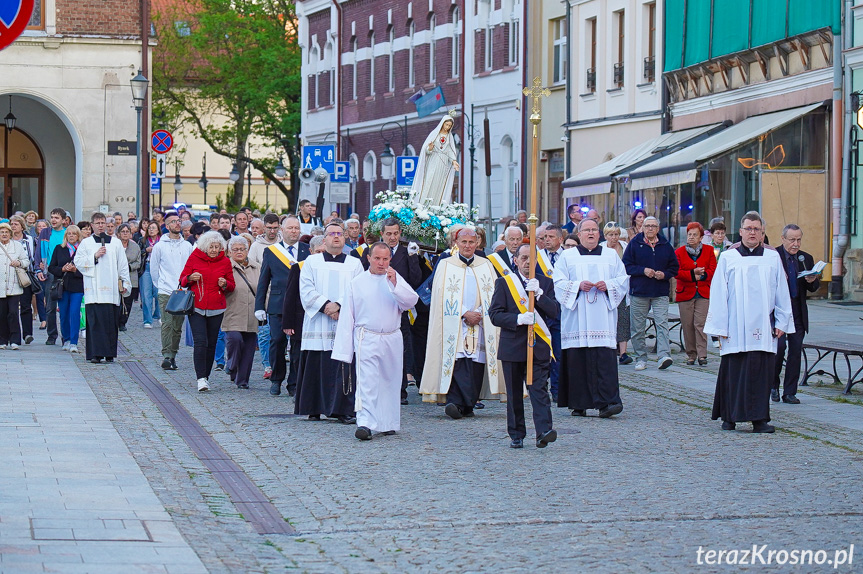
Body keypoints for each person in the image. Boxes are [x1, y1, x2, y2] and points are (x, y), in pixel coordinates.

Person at [705, 211, 794, 433]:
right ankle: (729, 417)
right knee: (733, 371)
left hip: (762, 326)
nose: (752, 232)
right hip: (734, 326)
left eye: (757, 229)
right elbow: (718, 293)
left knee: (760, 372)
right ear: (741, 231)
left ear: (762, 233)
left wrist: (782, 321)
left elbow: (782, 292)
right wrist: (719, 327)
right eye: (748, 228)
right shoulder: (728, 257)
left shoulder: (773, 258)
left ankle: (759, 419)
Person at [332, 242, 419, 440]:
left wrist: (396, 284)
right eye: (377, 258)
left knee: (390, 381)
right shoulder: (357, 282)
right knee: (368, 382)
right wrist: (345, 350)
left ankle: (387, 422)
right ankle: (365, 422)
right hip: (367, 337)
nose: (381, 263)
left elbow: (411, 301)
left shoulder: (395, 278)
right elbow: (348, 316)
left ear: (390, 259)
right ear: (369, 258)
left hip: (391, 336)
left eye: (385, 259)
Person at [419, 227, 503, 417]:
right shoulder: (446, 264)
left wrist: (479, 313)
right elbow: (440, 294)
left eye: (471, 242)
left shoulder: (486, 265)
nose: (467, 246)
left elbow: (493, 294)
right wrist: (465, 312)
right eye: (463, 242)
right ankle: (454, 402)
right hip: (455, 322)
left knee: (475, 363)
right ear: (456, 243)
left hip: (480, 321)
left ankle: (467, 405)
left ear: (478, 243)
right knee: (457, 361)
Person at [553, 218, 629, 417]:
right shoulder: (567, 256)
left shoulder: (611, 255)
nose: (591, 233)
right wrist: (577, 286)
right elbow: (558, 282)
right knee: (577, 359)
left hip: (602, 318)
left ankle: (608, 402)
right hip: (577, 317)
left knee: (603, 359)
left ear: (599, 234)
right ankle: (578, 403)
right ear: (579, 234)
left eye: (594, 230)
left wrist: (608, 285)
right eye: (587, 230)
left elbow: (622, 280)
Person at [488, 243, 559, 449]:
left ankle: (544, 431)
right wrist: (518, 318)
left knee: (539, 389)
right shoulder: (505, 283)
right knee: (514, 393)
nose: (528, 262)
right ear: (516, 260)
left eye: (532, 258)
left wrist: (539, 296)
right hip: (512, 347)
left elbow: (554, 311)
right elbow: (495, 315)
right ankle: (516, 433)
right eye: (524, 258)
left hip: (537, 346)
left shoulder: (545, 282)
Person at [294, 222, 363, 423]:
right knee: (316, 364)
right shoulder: (312, 262)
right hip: (318, 323)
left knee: (341, 366)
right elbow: (305, 289)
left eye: (340, 234)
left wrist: (339, 306)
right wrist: (326, 306)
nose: (336, 237)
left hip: (343, 321)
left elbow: (357, 290)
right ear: (324, 239)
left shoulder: (354, 264)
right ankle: (313, 407)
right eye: (332, 234)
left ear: (344, 238)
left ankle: (342, 410)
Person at [354, 217, 422, 403]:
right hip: (374, 307)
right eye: (388, 234)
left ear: (401, 234)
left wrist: (413, 258)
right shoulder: (371, 252)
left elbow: (415, 280)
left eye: (396, 233)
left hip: (398, 307)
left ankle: (400, 390)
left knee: (400, 349)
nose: (392, 237)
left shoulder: (405, 252)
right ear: (382, 234)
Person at [254, 215, 310, 396]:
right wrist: (259, 306)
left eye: (296, 228)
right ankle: (276, 379)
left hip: (300, 306)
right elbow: (264, 280)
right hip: (278, 304)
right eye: (290, 228)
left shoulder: (306, 250)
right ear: (282, 230)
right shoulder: (272, 251)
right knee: (277, 342)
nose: (294, 231)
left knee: (297, 345)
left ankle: (294, 383)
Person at [622, 215, 679, 371]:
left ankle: (664, 356)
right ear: (642, 228)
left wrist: (665, 274)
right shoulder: (635, 243)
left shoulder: (665, 245)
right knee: (637, 327)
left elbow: (674, 267)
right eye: (647, 226)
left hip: (660, 291)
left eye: (653, 226)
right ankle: (641, 357)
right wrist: (643, 270)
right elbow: (626, 266)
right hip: (639, 291)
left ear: (658, 229)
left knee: (662, 324)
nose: (650, 229)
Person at [180, 231, 235, 391]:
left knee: (211, 343)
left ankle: (206, 376)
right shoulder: (195, 257)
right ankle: (200, 378)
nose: (214, 250)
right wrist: (190, 278)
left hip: (216, 308)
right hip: (196, 307)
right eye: (211, 247)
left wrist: (224, 284)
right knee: (200, 342)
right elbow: (182, 280)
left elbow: (232, 285)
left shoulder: (225, 262)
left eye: (217, 247)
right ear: (205, 246)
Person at [74, 212, 131, 364]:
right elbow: (78, 262)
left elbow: (123, 264)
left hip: (111, 289)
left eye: (102, 223)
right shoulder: (86, 243)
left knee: (110, 322)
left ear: (106, 225)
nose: (100, 225)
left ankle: (109, 353)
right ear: (92, 225)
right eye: (97, 223)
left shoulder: (116, 243)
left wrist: (125, 283)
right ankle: (95, 354)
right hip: (94, 290)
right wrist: (94, 256)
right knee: (94, 322)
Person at [772, 223, 820, 404]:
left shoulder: (805, 258)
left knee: (795, 352)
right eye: (792, 240)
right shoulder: (774, 255)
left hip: (798, 312)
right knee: (779, 349)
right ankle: (773, 385)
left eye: (799, 240)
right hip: (779, 312)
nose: (796, 244)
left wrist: (812, 279)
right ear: (783, 239)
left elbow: (813, 287)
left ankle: (790, 392)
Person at [151, 213, 194, 371]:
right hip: (165, 290)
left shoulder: (187, 246)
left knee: (177, 326)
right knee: (167, 324)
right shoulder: (159, 246)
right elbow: (154, 269)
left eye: (178, 221)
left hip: (182, 290)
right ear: (167, 226)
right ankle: (166, 356)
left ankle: (173, 353)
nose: (177, 224)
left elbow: (190, 266)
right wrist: (160, 285)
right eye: (173, 222)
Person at [675, 222, 717, 366]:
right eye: (689, 234)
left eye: (695, 235)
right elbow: (677, 272)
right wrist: (693, 274)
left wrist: (703, 277)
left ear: (701, 238)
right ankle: (691, 354)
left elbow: (713, 269)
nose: (691, 237)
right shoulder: (679, 252)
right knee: (687, 325)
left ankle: (702, 355)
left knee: (700, 324)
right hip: (685, 292)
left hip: (703, 292)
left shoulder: (709, 250)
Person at [223, 236, 260, 389]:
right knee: (235, 339)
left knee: (249, 347)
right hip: (232, 311)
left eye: (242, 249)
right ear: (229, 252)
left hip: (252, 312)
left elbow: (265, 288)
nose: (239, 252)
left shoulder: (256, 267)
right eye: (235, 250)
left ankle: (242, 380)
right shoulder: (224, 267)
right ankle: (231, 364)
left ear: (247, 250)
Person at [48, 225, 84, 353]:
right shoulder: (59, 248)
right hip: (62, 286)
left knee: (74, 313)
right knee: (63, 314)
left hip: (77, 286)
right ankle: (66, 339)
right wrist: (62, 269)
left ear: (78, 236)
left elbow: (88, 268)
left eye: (74, 234)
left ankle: (74, 341)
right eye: (69, 234)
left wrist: (75, 270)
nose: (72, 236)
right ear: (66, 236)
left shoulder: (82, 250)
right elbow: (51, 267)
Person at [411, 113, 460, 206]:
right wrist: (430, 148)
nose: (448, 127)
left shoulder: (449, 138)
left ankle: (435, 205)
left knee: (439, 184)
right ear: (442, 124)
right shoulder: (434, 134)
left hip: (443, 163)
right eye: (447, 125)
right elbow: (425, 150)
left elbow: (449, 150)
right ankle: (423, 204)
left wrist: (454, 161)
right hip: (433, 161)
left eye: (450, 126)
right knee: (429, 180)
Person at [601, 222, 632, 364]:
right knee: (607, 318)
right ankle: (610, 347)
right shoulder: (600, 248)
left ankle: (623, 352)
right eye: (611, 235)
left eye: (616, 234)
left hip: (622, 288)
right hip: (605, 288)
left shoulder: (625, 248)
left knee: (623, 319)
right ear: (605, 235)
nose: (614, 238)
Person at [36, 208, 67, 345]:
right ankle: (52, 334)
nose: (54, 220)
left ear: (63, 220)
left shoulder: (68, 233)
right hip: (50, 272)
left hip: (66, 272)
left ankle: (66, 335)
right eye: (52, 217)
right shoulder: (45, 232)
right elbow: (38, 253)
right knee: (50, 306)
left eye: (57, 218)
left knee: (66, 305)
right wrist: (38, 269)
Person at [0, 222, 30, 350]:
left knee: (13, 312)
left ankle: (15, 339)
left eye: (6, 232)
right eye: (1, 232)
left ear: (10, 234)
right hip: (0, 285)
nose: (4, 234)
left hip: (14, 285)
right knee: (2, 314)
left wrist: (19, 262)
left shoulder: (17, 246)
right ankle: (2, 340)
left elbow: (26, 261)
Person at [10, 215, 38, 344]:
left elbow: (33, 257)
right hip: (10, 276)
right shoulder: (7, 240)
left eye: (16, 224)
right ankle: (13, 333)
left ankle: (27, 334)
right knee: (12, 307)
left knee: (26, 305)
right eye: (12, 224)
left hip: (25, 274)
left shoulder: (29, 240)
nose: (13, 226)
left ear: (22, 226)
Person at [138, 221, 162, 329]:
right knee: (146, 295)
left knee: (158, 293)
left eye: (153, 228)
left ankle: (158, 314)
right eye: (149, 228)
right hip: (146, 267)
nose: (151, 230)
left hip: (159, 268)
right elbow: (138, 253)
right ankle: (147, 320)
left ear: (158, 230)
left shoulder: (162, 241)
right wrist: (145, 251)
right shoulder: (142, 240)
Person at [117, 224, 141, 332]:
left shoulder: (135, 247)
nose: (125, 233)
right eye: (123, 231)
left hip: (131, 277)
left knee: (128, 302)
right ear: (119, 234)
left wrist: (129, 266)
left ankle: (123, 322)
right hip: (117, 276)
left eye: (127, 231)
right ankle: (116, 320)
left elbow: (138, 262)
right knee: (118, 301)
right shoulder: (115, 245)